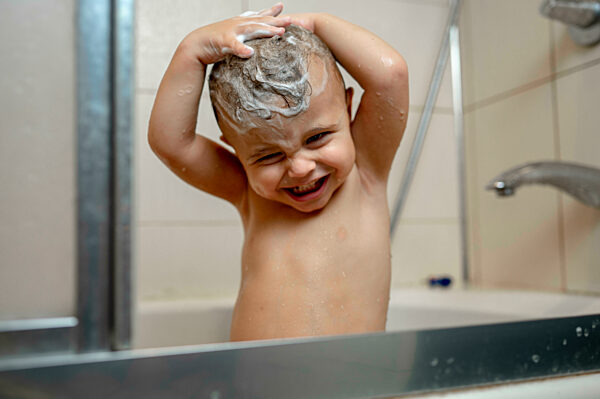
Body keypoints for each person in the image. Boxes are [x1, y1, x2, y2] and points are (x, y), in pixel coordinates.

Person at [148, 2, 408, 341]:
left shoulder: (366, 172)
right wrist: (193, 49)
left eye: (317, 137)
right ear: (235, 151)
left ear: (348, 108)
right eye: (268, 156)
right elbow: (170, 142)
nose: (300, 168)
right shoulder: (247, 191)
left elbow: (391, 76)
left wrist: (314, 22)